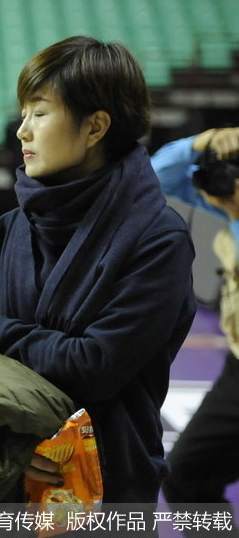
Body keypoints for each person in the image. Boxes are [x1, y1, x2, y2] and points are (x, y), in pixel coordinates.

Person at [0, 36, 197, 507]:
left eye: (40, 113)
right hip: (10, 482)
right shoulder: (9, 229)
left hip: (110, 490)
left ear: (95, 127)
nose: (22, 131)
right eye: (23, 113)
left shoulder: (158, 239)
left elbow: (96, 366)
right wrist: (12, 445)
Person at [151, 128, 239, 533]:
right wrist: (207, 141)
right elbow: (156, 176)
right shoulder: (226, 205)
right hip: (237, 368)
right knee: (186, 474)